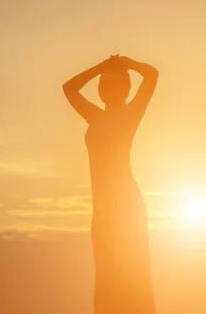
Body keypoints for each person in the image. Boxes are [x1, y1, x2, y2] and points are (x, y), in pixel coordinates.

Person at [62, 54, 159, 314]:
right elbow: (68, 88)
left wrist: (127, 63)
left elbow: (152, 74)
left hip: (125, 205)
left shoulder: (130, 114)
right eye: (103, 84)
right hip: (102, 209)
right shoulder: (94, 116)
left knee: (130, 278)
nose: (107, 88)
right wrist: (101, 67)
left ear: (126, 89)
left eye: (115, 84)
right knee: (107, 280)